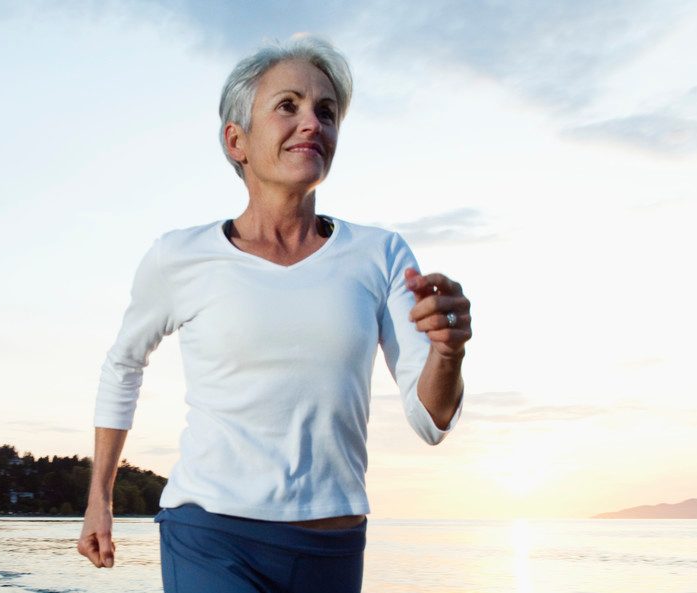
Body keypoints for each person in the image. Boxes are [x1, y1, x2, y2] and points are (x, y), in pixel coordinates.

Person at [76, 34, 471, 592]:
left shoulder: (381, 256)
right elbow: (123, 364)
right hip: (211, 535)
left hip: (331, 548)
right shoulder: (179, 256)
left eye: (326, 112)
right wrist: (100, 500)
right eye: (288, 106)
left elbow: (431, 421)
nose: (312, 122)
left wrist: (449, 352)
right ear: (236, 140)